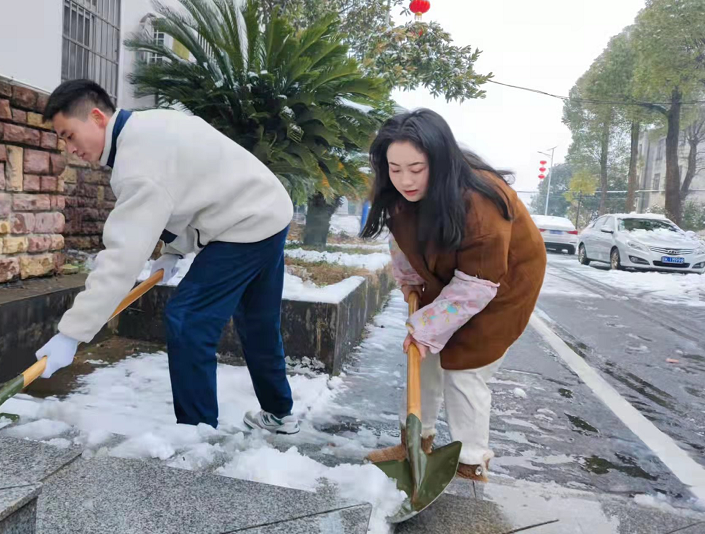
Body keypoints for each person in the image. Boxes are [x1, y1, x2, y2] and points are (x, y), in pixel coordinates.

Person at [34, 79, 300, 434]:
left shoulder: (136, 164)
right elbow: (190, 190)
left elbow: (121, 259)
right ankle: (279, 412)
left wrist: (71, 334)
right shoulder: (148, 126)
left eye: (68, 135)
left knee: (188, 319)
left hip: (244, 223)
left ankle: (196, 433)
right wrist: (173, 251)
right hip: (268, 209)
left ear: (97, 117)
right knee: (257, 321)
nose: (70, 148)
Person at [361, 109, 546, 481]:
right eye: (394, 169)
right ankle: (415, 440)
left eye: (416, 168)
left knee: (464, 366)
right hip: (447, 272)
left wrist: (428, 324)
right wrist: (411, 280)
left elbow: (476, 285)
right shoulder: (399, 191)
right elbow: (402, 240)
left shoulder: (482, 201)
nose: (405, 180)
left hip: (502, 282)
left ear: (441, 160)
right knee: (422, 353)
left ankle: (470, 461)